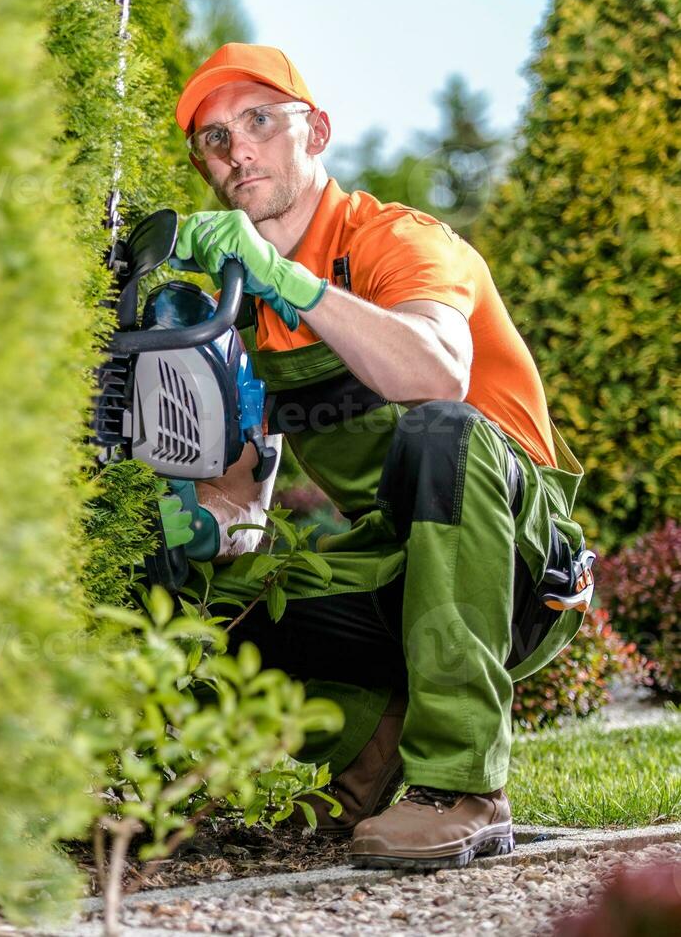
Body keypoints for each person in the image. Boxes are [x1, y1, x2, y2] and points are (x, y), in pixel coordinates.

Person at [163, 43, 596, 870]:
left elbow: (437, 372)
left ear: (316, 131)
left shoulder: (398, 240)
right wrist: (197, 527)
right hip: (400, 570)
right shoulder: (245, 312)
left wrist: (293, 284)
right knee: (219, 583)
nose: (236, 149)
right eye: (214, 140)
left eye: (258, 120)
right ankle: (340, 766)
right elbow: (245, 505)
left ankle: (465, 786)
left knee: (442, 430)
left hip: (519, 564)